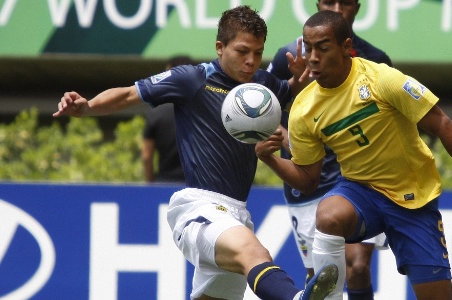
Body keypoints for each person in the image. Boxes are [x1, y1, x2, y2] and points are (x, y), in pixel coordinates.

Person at [53, 6, 339, 300]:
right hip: (199, 209)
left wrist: (297, 81)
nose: (251, 61)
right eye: (242, 51)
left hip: (237, 213)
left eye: (257, 52)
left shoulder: (262, 85)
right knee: (254, 251)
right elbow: (128, 94)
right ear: (220, 47)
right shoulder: (192, 79)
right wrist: (87, 107)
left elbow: (286, 91)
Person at [256, 10, 452, 300]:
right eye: (309, 47)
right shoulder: (303, 108)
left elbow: (441, 122)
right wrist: (270, 159)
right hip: (361, 192)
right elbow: (307, 180)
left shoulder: (382, 79)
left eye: (323, 47)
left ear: (345, 47)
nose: (313, 57)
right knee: (328, 216)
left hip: (413, 199)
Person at [267, 1, 391, 299]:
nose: (336, 8)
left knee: (357, 265)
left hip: (360, 177)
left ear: (357, 8)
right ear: (318, 5)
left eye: (345, 2)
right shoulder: (289, 56)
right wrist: (285, 138)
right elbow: (264, 107)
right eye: (328, 2)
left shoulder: (376, 59)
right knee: (321, 277)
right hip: (308, 179)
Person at [142, 56, 194, 184]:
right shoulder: (205, 111)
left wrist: (151, 183)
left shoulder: (156, 113)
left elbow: (146, 156)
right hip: (197, 186)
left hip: (164, 184)